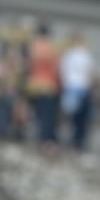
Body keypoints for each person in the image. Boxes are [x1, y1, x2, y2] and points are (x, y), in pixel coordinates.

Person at [23, 23, 62, 152]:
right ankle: (46, 141)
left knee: (39, 115)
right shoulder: (51, 48)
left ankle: (40, 139)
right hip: (48, 86)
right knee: (48, 116)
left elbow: (28, 68)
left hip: (34, 86)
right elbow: (56, 69)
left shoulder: (33, 47)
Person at [60, 30, 97, 156]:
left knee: (72, 119)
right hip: (81, 89)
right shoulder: (85, 55)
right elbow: (90, 74)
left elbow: (63, 73)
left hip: (71, 88)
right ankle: (78, 144)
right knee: (81, 120)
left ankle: (73, 143)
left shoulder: (68, 55)